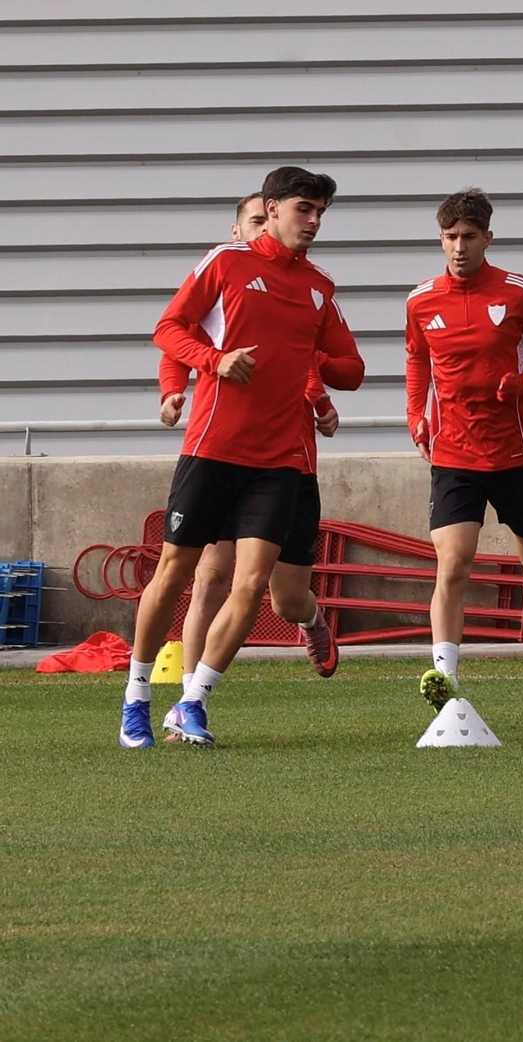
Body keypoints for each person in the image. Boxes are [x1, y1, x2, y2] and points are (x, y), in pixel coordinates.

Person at [125, 166, 365, 748]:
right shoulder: (226, 263)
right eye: (303, 209)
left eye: (320, 213)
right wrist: (214, 363)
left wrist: (316, 369)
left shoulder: (320, 287)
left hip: (281, 460)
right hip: (214, 448)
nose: (312, 222)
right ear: (273, 207)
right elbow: (169, 328)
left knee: (255, 585)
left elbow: (351, 367)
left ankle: (192, 702)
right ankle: (135, 698)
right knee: (178, 572)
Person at [405, 188, 523, 709]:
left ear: (487, 237)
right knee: (453, 565)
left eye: (468, 237)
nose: (458, 247)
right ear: (441, 240)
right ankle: (446, 678)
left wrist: (522, 383)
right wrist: (416, 414)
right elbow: (417, 361)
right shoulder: (421, 300)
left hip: (513, 455)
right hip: (453, 453)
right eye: (449, 238)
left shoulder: (517, 293)